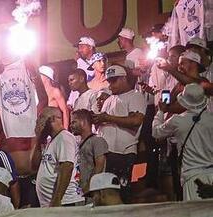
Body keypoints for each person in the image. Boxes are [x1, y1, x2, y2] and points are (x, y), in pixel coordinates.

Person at [92, 65, 146, 200]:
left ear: (124, 78)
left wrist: (107, 118)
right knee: (106, 193)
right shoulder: (110, 99)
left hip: (123, 152)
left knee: (121, 193)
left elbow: (135, 121)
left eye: (114, 80)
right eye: (109, 81)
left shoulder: (135, 96)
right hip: (106, 152)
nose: (111, 84)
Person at [152, 83, 213, 201]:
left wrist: (160, 111)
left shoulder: (177, 121)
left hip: (192, 177)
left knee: (195, 216)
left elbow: (156, 132)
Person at [34, 107, 84, 207]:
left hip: (64, 202)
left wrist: (57, 200)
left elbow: (67, 167)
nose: (38, 122)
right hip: (52, 203)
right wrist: (39, 139)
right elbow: (34, 166)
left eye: (41, 118)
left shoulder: (64, 137)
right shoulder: (50, 141)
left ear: (52, 119)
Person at [70, 109, 109, 194]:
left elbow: (99, 167)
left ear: (83, 122)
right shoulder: (77, 144)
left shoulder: (97, 141)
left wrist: (88, 188)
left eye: (74, 122)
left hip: (92, 193)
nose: (71, 126)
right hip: (79, 193)